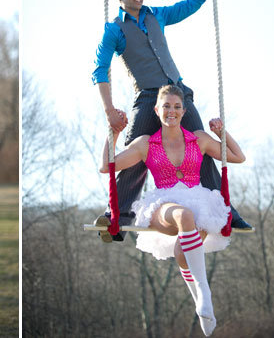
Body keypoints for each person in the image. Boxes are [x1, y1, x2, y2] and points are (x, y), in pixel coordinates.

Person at [92, 0, 252, 242]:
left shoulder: (157, 15)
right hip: (148, 97)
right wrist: (109, 110)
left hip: (178, 95)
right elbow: (100, 71)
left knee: (199, 146)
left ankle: (228, 211)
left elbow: (192, 3)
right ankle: (118, 213)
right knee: (135, 152)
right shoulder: (114, 30)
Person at [99, 85, 246, 336]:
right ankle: (205, 293)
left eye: (177, 107)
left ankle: (201, 303)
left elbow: (237, 156)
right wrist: (112, 134)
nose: (172, 111)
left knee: (182, 253)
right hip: (164, 202)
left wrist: (222, 133)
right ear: (157, 110)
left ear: (183, 111)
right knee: (183, 215)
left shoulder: (197, 138)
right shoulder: (146, 143)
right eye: (166, 106)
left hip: (198, 199)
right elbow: (107, 166)